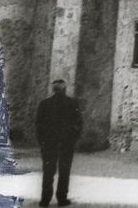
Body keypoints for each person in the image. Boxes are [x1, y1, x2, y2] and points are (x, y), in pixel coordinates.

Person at [34, 79, 82, 207]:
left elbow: (38, 125)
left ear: (53, 89)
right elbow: (78, 123)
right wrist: (73, 138)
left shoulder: (44, 104)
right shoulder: (72, 103)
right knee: (64, 170)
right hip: (66, 142)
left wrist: (41, 141)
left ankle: (45, 199)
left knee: (48, 171)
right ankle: (62, 198)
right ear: (65, 89)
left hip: (49, 143)